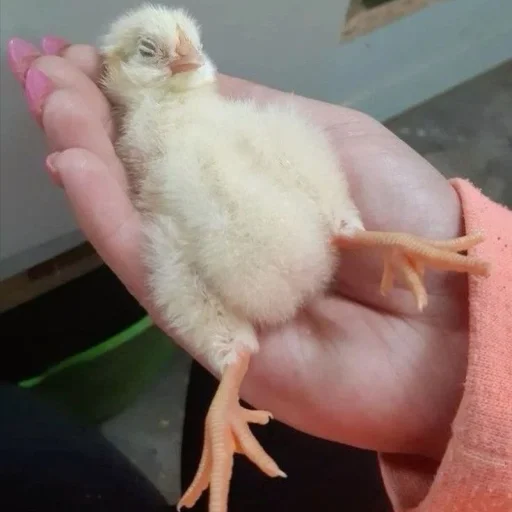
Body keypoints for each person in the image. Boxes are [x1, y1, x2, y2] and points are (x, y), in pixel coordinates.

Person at [5, 37, 511, 511]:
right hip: (255, 278)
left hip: (308, 251)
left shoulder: (218, 121)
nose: (183, 55)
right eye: (151, 51)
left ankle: (365, 243)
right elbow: (172, 252)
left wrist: (362, 229)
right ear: (119, 69)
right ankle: (231, 378)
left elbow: (291, 155)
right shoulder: (157, 140)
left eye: (186, 44)